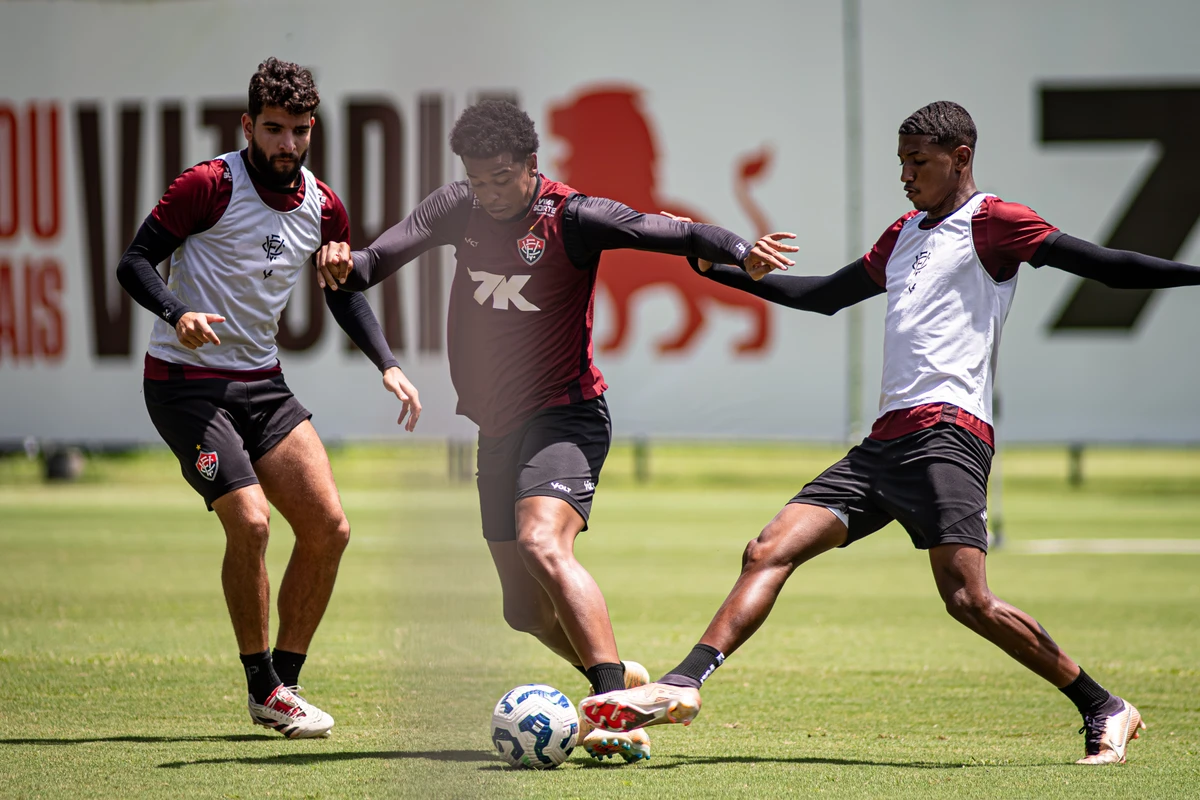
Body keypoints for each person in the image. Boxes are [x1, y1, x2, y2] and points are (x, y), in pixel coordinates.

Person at [580, 100, 1200, 766]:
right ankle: (684, 683)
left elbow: (1105, 264)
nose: (905, 175)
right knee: (767, 550)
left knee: (968, 600)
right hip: (881, 445)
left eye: (918, 162)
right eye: (900, 162)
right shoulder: (904, 231)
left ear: (960, 158)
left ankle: (1103, 705)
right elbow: (822, 295)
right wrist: (715, 270)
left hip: (946, 434)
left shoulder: (994, 222)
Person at [315, 99, 793, 761]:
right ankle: (620, 679)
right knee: (523, 610)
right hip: (497, 428)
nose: (488, 193)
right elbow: (370, 266)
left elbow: (677, 233)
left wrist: (744, 251)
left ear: (532, 166)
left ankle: (616, 711)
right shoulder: (458, 206)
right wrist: (341, 259)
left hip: (565, 416)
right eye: (478, 180)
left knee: (544, 543)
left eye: (502, 178)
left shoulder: (575, 218)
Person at [116, 57, 421, 739]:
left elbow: (343, 290)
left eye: (300, 131)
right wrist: (177, 314)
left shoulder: (323, 203)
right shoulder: (209, 185)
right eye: (275, 129)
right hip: (184, 386)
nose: (288, 145)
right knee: (251, 524)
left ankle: (281, 683)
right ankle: (264, 685)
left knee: (328, 529)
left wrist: (387, 364)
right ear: (248, 125)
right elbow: (133, 262)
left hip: (262, 384)